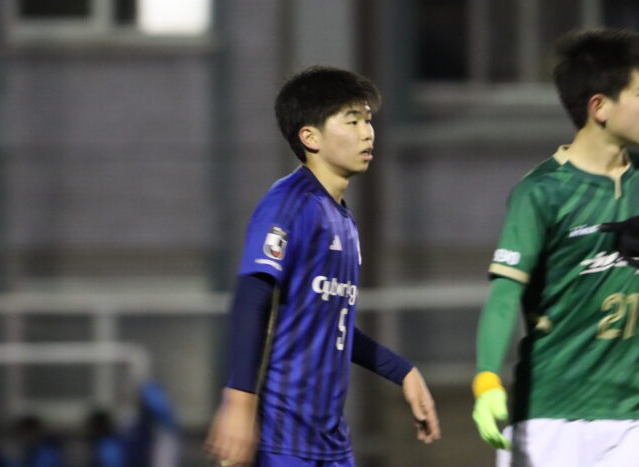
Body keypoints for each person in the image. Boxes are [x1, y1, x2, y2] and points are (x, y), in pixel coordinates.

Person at [205, 66, 440, 466]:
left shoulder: (343, 220)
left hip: (330, 443)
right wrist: (239, 402)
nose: (368, 133)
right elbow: (252, 295)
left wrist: (403, 372)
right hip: (282, 441)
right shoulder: (288, 202)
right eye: (352, 121)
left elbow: (330, 323)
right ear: (310, 137)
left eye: (368, 120)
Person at [472, 27, 639, 466]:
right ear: (599, 107)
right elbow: (504, 294)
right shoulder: (543, 192)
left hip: (631, 418)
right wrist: (487, 381)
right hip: (551, 419)